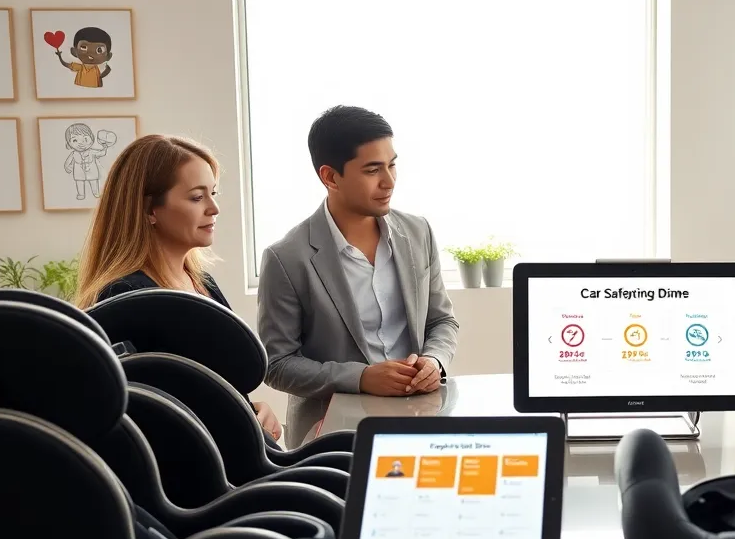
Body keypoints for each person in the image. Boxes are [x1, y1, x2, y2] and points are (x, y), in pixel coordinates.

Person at [257, 105, 459, 444]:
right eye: (372, 170)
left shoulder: (418, 232)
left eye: (392, 165)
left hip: (421, 419)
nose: (389, 181)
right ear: (330, 177)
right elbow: (277, 365)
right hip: (332, 434)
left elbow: (442, 321)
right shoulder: (286, 258)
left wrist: (434, 362)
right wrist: (361, 378)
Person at [73, 133, 282, 440]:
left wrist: (253, 410)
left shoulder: (202, 283)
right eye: (197, 197)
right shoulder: (127, 298)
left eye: (213, 193)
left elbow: (220, 385)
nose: (214, 208)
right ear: (149, 210)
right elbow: (149, 416)